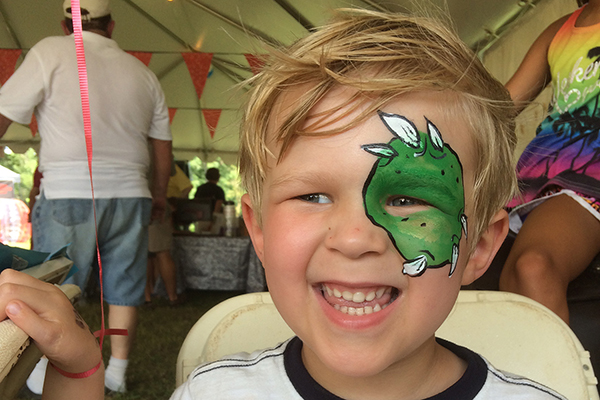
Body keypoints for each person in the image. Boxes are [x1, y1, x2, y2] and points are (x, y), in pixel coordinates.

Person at [0, 9, 568, 400]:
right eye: (313, 195)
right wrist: (77, 375)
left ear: (480, 246)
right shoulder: (214, 394)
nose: (353, 237)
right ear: (261, 232)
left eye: (404, 199)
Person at [0, 0, 172, 395]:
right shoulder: (143, 73)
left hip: (67, 192)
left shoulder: (49, 51)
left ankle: (50, 370)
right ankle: (117, 370)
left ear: (66, 25)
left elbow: (4, 111)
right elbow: (162, 147)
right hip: (132, 193)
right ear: (111, 26)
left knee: (55, 287)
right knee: (125, 285)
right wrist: (159, 195)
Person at [499, 0, 600, 325]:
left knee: (533, 267)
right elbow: (502, 104)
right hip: (533, 175)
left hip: (591, 178)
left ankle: (562, 377)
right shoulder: (559, 30)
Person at [145, 161, 192, 306]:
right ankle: (172, 297)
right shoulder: (157, 148)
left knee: (143, 254)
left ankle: (147, 297)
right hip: (156, 205)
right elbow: (186, 185)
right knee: (162, 252)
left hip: (132, 204)